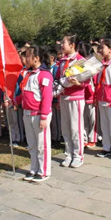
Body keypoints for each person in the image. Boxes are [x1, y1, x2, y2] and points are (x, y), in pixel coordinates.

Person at [18, 45, 53, 182]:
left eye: (28, 56)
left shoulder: (44, 75)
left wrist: (44, 116)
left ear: (36, 58)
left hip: (39, 114)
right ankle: (33, 168)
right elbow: (24, 93)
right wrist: (14, 101)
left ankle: (44, 170)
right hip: (27, 112)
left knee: (41, 145)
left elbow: (46, 97)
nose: (25, 59)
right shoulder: (28, 74)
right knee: (32, 144)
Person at [55, 35, 86, 168]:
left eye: (64, 43)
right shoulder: (62, 61)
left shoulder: (80, 60)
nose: (62, 45)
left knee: (75, 128)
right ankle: (68, 153)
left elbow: (86, 81)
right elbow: (58, 80)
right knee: (66, 128)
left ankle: (78, 155)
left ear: (72, 45)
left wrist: (78, 83)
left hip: (76, 97)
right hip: (63, 97)